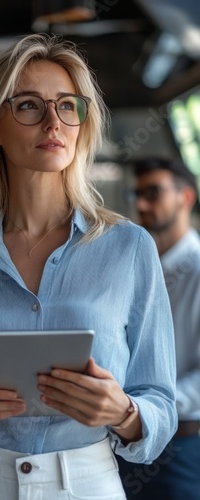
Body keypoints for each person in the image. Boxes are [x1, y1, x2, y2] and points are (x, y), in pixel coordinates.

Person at [0, 34, 177, 500]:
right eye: (30, 105)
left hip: (87, 482)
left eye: (68, 106)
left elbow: (161, 403)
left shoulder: (129, 248)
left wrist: (124, 412)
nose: (54, 121)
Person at [118, 158, 200, 499]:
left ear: (186, 197)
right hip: (124, 439)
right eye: (136, 194)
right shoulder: (133, 270)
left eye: (153, 193)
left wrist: (149, 407)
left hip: (181, 446)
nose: (140, 204)